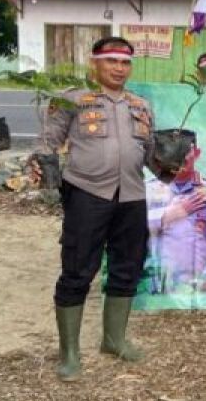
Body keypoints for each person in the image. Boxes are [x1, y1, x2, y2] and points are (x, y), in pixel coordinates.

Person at [30, 37, 154, 380]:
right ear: (94, 63)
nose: (119, 68)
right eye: (111, 61)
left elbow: (151, 154)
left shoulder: (141, 105)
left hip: (131, 196)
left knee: (127, 267)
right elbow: (46, 143)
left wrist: (176, 166)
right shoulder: (70, 99)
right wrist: (41, 165)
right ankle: (69, 352)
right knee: (77, 269)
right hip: (87, 193)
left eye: (125, 62)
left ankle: (114, 340)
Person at [144, 136, 206, 294]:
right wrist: (165, 216)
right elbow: (129, 230)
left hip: (199, 288)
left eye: (184, 151)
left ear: (196, 153)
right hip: (153, 288)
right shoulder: (144, 191)